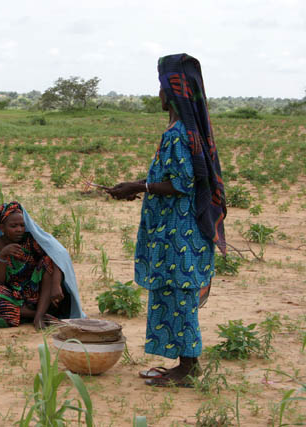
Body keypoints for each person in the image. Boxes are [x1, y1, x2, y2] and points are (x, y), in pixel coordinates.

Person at [106, 54, 227, 387]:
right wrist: (141, 188)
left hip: (179, 235)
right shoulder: (187, 131)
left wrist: (138, 186)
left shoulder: (176, 135)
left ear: (173, 93)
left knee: (179, 296)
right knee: (175, 297)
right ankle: (183, 363)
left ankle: (187, 369)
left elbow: (181, 183)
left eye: (161, 88)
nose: (158, 94)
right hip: (180, 232)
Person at [0, 202, 85, 330]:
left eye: (22, 225)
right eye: (13, 226)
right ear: (2, 228)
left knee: (47, 261)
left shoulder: (31, 241)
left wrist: (56, 284)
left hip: (39, 295)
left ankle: (38, 316)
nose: (19, 229)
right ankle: (37, 315)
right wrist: (2, 257)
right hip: (11, 296)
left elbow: (57, 257)